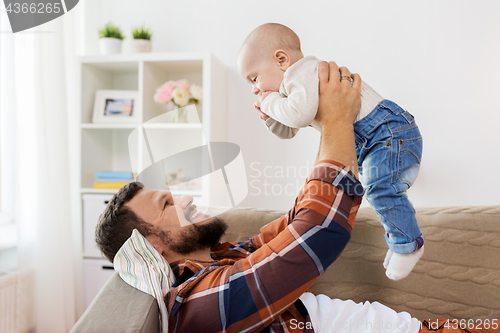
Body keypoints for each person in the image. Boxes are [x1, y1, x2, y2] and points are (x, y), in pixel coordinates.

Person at [95, 63, 494, 333]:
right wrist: (335, 119)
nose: (183, 200)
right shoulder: (198, 304)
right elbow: (317, 231)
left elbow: (295, 221)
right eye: (167, 205)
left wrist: (331, 125)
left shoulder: (225, 259)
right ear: (153, 246)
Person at [237, 23, 424, 281]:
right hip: (372, 137)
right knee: (373, 189)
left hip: (387, 130)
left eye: (254, 78)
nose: (255, 88)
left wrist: (270, 101)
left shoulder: (301, 72)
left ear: (281, 60)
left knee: (381, 188)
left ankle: (408, 244)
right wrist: (268, 116)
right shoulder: (293, 89)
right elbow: (289, 129)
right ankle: (400, 241)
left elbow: (299, 116)